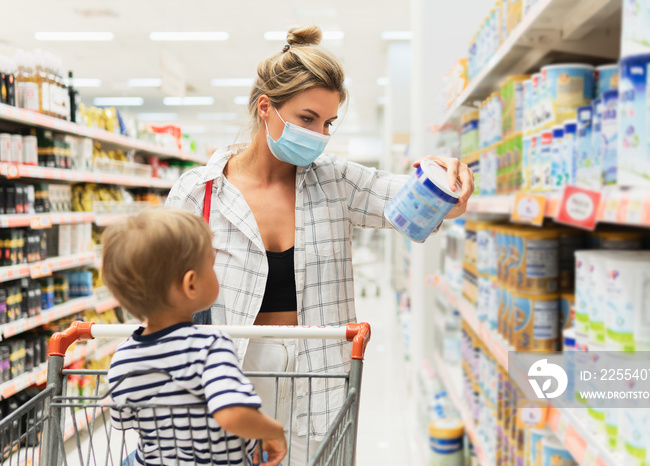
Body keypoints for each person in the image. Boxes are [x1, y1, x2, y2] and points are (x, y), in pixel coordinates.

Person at [165, 25, 474, 464]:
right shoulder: (199, 193)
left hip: (318, 370)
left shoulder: (336, 181)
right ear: (265, 108)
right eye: (307, 119)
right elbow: (164, 295)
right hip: (230, 371)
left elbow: (416, 203)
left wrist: (450, 189)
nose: (319, 134)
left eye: (327, 123)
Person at [102, 208, 287, 466]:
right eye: (211, 266)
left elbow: (126, 420)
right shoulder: (210, 345)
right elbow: (232, 413)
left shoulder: (122, 357)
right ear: (191, 284)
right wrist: (272, 431)